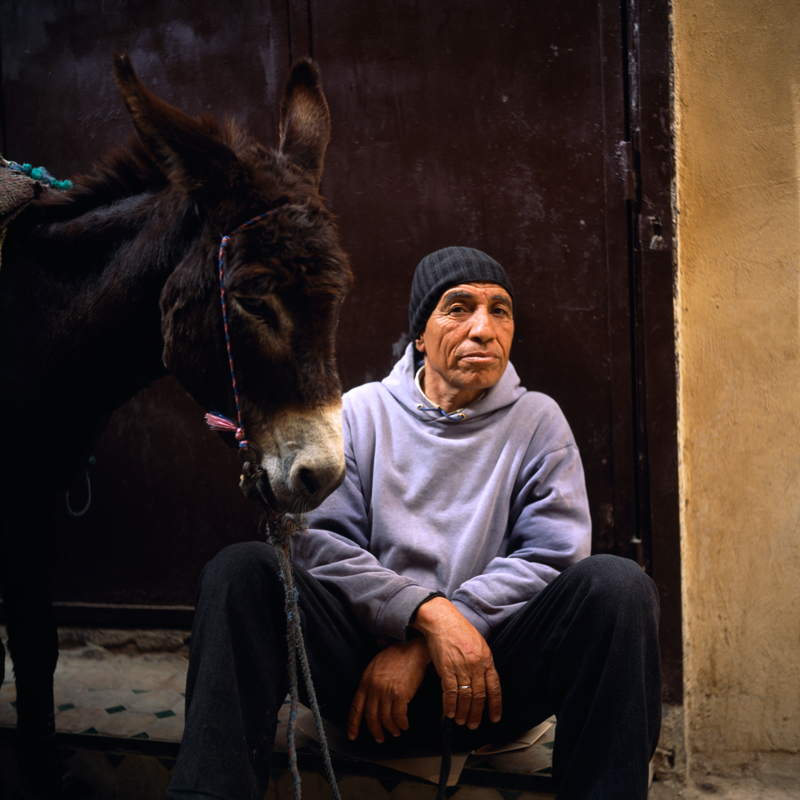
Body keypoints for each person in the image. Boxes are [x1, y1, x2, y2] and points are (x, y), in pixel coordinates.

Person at [167, 246, 662, 800]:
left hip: (487, 682)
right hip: (363, 679)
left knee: (619, 587)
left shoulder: (538, 422)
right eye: (459, 308)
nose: (484, 329)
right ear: (420, 336)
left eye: (500, 311)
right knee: (241, 571)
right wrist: (422, 614)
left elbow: (550, 556)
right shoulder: (359, 413)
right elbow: (321, 545)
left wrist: (441, 634)